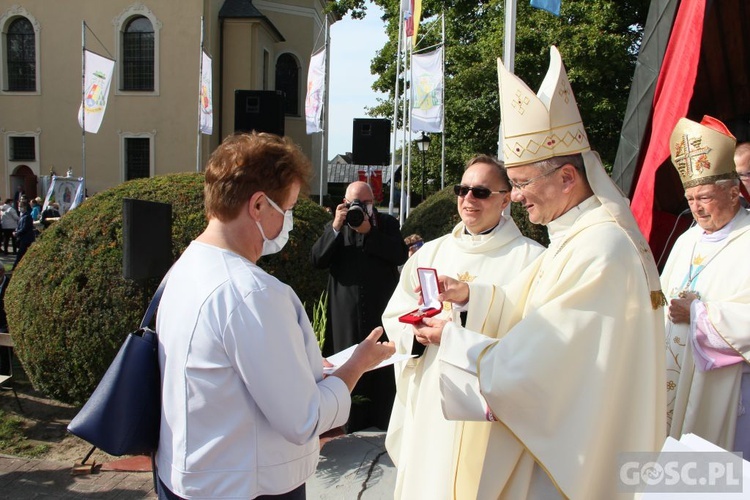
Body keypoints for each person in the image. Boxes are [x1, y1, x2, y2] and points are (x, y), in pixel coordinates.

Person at [413, 47, 666, 499]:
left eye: (525, 182)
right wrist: (472, 296)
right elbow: (536, 311)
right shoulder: (579, 234)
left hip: (574, 457)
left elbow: (549, 360)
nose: (517, 196)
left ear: (568, 177)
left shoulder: (600, 246)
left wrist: (454, 341)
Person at [155, 132, 395, 500]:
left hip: (194, 475)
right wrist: (356, 365)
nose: (290, 220)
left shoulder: (184, 268)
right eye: (289, 207)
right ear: (258, 206)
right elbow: (304, 419)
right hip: (247, 485)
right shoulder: (253, 293)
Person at [382, 154, 544, 499]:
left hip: (486, 403)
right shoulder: (431, 253)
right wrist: (416, 333)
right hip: (431, 394)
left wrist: (471, 305)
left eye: (481, 192)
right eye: (462, 189)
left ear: (505, 198)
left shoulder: (531, 259)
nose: (468, 199)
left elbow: (534, 334)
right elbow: (395, 316)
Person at [662, 116, 750, 456]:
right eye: (690, 198)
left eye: (705, 197)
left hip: (729, 391)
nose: (696, 207)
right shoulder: (686, 240)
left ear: (732, 192)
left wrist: (698, 314)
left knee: (720, 477)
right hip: (675, 375)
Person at [310, 181, 408, 432]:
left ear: (373, 202)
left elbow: (399, 255)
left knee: (382, 362)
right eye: (353, 203)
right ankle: (348, 421)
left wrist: (369, 232)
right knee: (347, 359)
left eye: (364, 203)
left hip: (380, 307)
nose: (359, 208)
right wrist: (334, 226)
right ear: (343, 202)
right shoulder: (337, 226)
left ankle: (383, 419)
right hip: (344, 311)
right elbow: (317, 260)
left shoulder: (386, 224)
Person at [12, 202, 35, 270]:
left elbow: (25, 228)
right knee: (22, 254)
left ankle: (14, 268)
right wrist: (16, 231)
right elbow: (20, 226)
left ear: (25, 207)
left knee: (20, 254)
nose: (19, 208)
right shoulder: (22, 216)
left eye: (20, 206)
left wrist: (17, 233)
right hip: (23, 238)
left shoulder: (27, 216)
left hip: (26, 239)